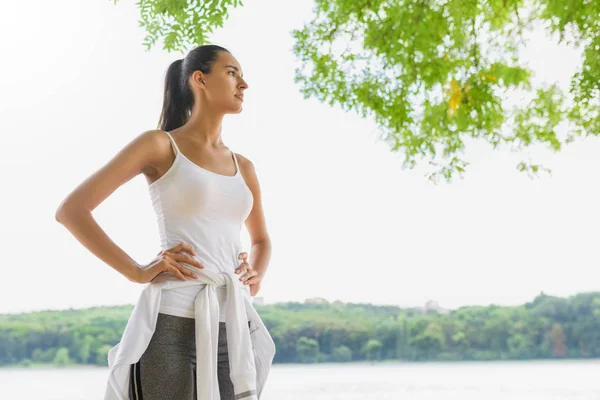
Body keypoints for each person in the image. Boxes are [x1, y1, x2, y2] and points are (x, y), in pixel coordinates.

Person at [55, 44, 276, 399]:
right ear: (199, 80)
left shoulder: (244, 167)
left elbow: (261, 240)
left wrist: (256, 276)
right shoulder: (159, 145)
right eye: (232, 72)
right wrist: (137, 270)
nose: (244, 84)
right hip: (169, 327)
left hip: (231, 328)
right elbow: (72, 210)